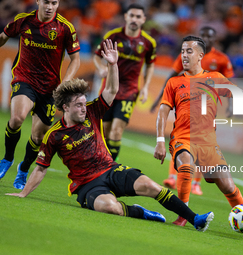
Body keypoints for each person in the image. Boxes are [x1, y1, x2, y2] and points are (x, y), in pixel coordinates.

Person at [6, 39, 214, 232]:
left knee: (151, 186)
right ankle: (141, 212)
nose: (83, 108)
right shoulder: (54, 135)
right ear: (64, 107)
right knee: (110, 207)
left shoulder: (93, 110)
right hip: (87, 185)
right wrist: (23, 193)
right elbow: (41, 169)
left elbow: (112, 90)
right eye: (78, 105)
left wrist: (113, 65)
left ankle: (195, 219)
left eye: (83, 103)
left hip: (110, 169)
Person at [154, 35, 243, 240]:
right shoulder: (174, 82)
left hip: (209, 143)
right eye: (182, 51)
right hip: (183, 138)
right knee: (186, 164)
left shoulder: (215, 79)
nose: (184, 55)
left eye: (189, 51)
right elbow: (162, 113)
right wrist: (159, 141)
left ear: (201, 55)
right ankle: (183, 214)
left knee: (228, 186)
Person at [0, 0, 80, 189]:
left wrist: (65, 83)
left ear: (58, 3)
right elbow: (4, 35)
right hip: (24, 78)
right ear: (38, 1)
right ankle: (7, 159)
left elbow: (75, 59)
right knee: (18, 117)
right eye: (46, 2)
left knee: (38, 137)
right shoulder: (23, 20)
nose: (49, 6)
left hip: (50, 88)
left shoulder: (65, 28)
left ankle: (23, 168)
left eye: (54, 2)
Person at [151, 26, 234, 196]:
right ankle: (174, 179)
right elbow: (172, 75)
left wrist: (232, 104)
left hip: (207, 101)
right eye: (203, 34)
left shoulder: (221, 60)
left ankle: (196, 183)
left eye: (208, 35)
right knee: (183, 138)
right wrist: (160, 97)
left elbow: (231, 84)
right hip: (187, 97)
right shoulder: (189, 54)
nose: (185, 55)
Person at [93, 3, 156, 161]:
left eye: (138, 16)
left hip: (129, 90)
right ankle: (101, 162)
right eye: (132, 15)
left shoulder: (148, 43)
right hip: (109, 89)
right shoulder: (113, 36)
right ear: (126, 17)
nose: (134, 19)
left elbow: (150, 65)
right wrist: (101, 68)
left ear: (143, 19)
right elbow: (97, 55)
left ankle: (109, 168)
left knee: (116, 130)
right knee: (105, 132)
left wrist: (146, 87)